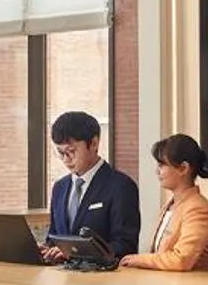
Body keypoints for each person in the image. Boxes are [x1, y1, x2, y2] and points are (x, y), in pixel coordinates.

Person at [42, 111, 142, 262]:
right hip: (62, 279)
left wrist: (74, 252)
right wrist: (47, 249)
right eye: (60, 153)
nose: (66, 159)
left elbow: (125, 245)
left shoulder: (120, 186)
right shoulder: (60, 188)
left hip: (103, 281)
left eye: (71, 151)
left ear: (94, 144)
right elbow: (54, 237)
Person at [120, 133, 208, 272]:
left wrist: (140, 259)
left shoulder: (198, 208)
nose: (157, 171)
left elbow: (181, 260)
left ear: (183, 168)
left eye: (162, 165)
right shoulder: (171, 204)